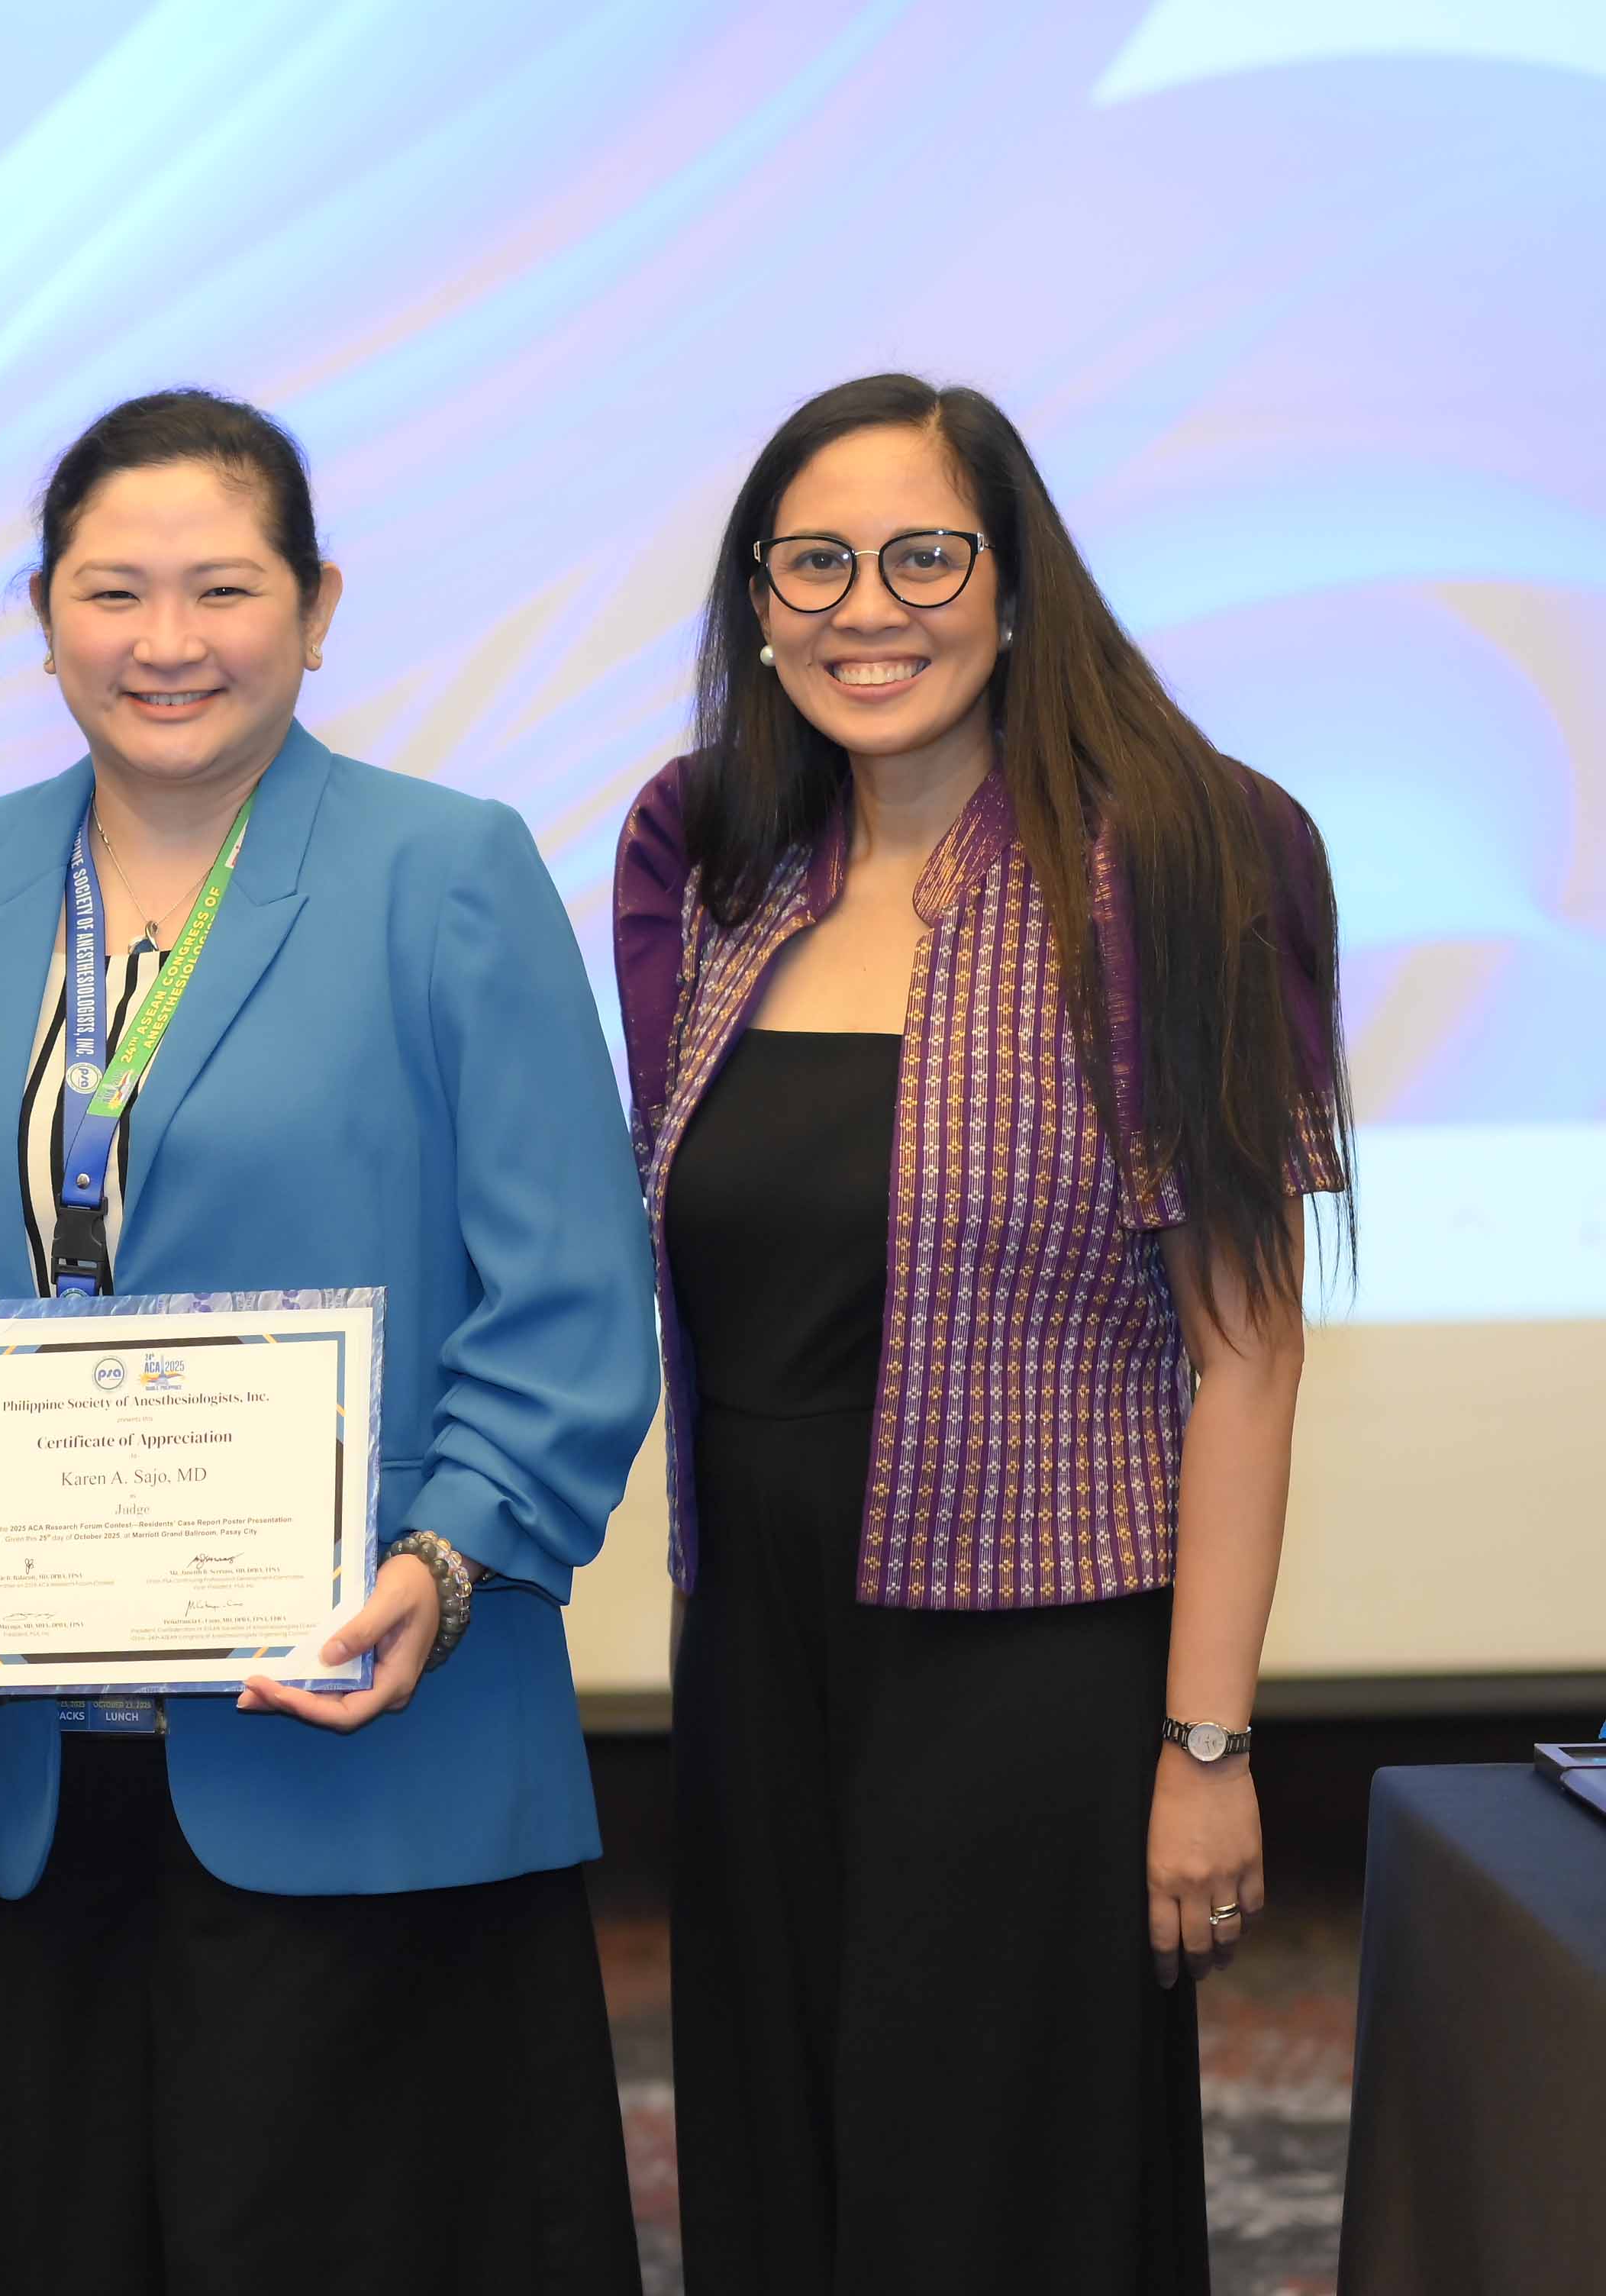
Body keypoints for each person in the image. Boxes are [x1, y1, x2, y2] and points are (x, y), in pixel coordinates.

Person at [0, 389, 659, 2294]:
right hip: (53, 1761)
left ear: (319, 605)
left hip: (367, 1736)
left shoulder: (445, 870)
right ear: (42, 618)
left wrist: (445, 1562)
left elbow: (567, 1295)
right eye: (113, 591)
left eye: (223, 588)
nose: (168, 640)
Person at [614, 373, 1353, 2293]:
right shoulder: (718, 866)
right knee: (783, 2175)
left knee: (996, 2207)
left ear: (1016, 587)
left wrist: (1206, 1746)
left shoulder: (1179, 859)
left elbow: (1247, 1354)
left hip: (1039, 1683)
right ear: (758, 606)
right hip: (757, 1657)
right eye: (815, 564)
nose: (869, 609)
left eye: (925, 557)